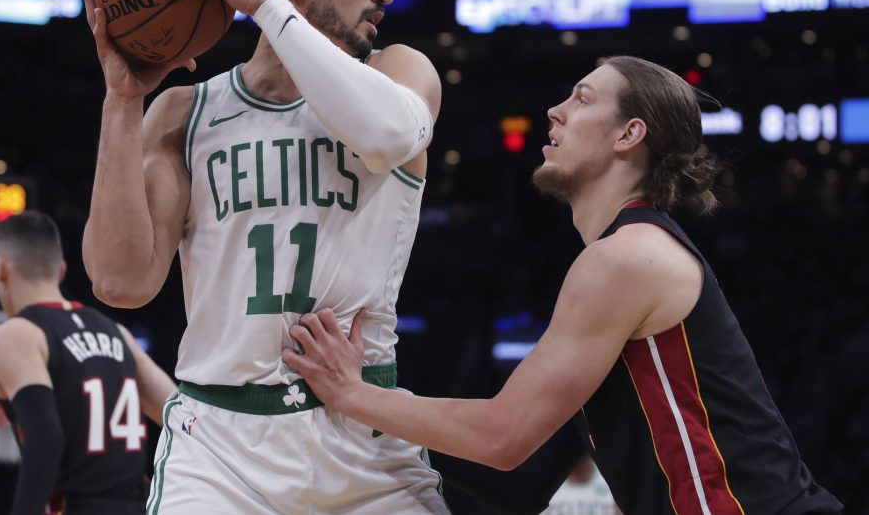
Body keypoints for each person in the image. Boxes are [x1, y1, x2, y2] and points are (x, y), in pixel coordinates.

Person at [283, 56, 846, 514]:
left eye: (582, 99)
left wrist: (356, 394)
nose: (554, 111)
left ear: (630, 133)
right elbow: (520, 483)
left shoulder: (626, 259)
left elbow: (502, 438)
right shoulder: (623, 260)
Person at [80, 0, 447, 513]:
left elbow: (384, 135)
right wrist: (122, 103)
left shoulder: (400, 72)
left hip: (361, 434)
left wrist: (263, 4)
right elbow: (121, 283)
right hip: (219, 448)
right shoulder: (184, 112)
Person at [0, 211, 177, 515]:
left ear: (1, 270)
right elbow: (177, 412)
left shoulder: (13, 335)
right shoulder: (117, 332)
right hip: (140, 505)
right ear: (60, 271)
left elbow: (45, 439)